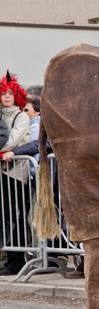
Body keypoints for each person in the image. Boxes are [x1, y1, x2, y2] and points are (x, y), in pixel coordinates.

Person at [0, 72, 31, 276]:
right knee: (5, 216)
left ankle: (17, 261)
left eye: (11, 93)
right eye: (4, 93)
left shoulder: (21, 116)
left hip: (17, 174)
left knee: (15, 216)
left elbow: (10, 141)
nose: (7, 96)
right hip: (4, 172)